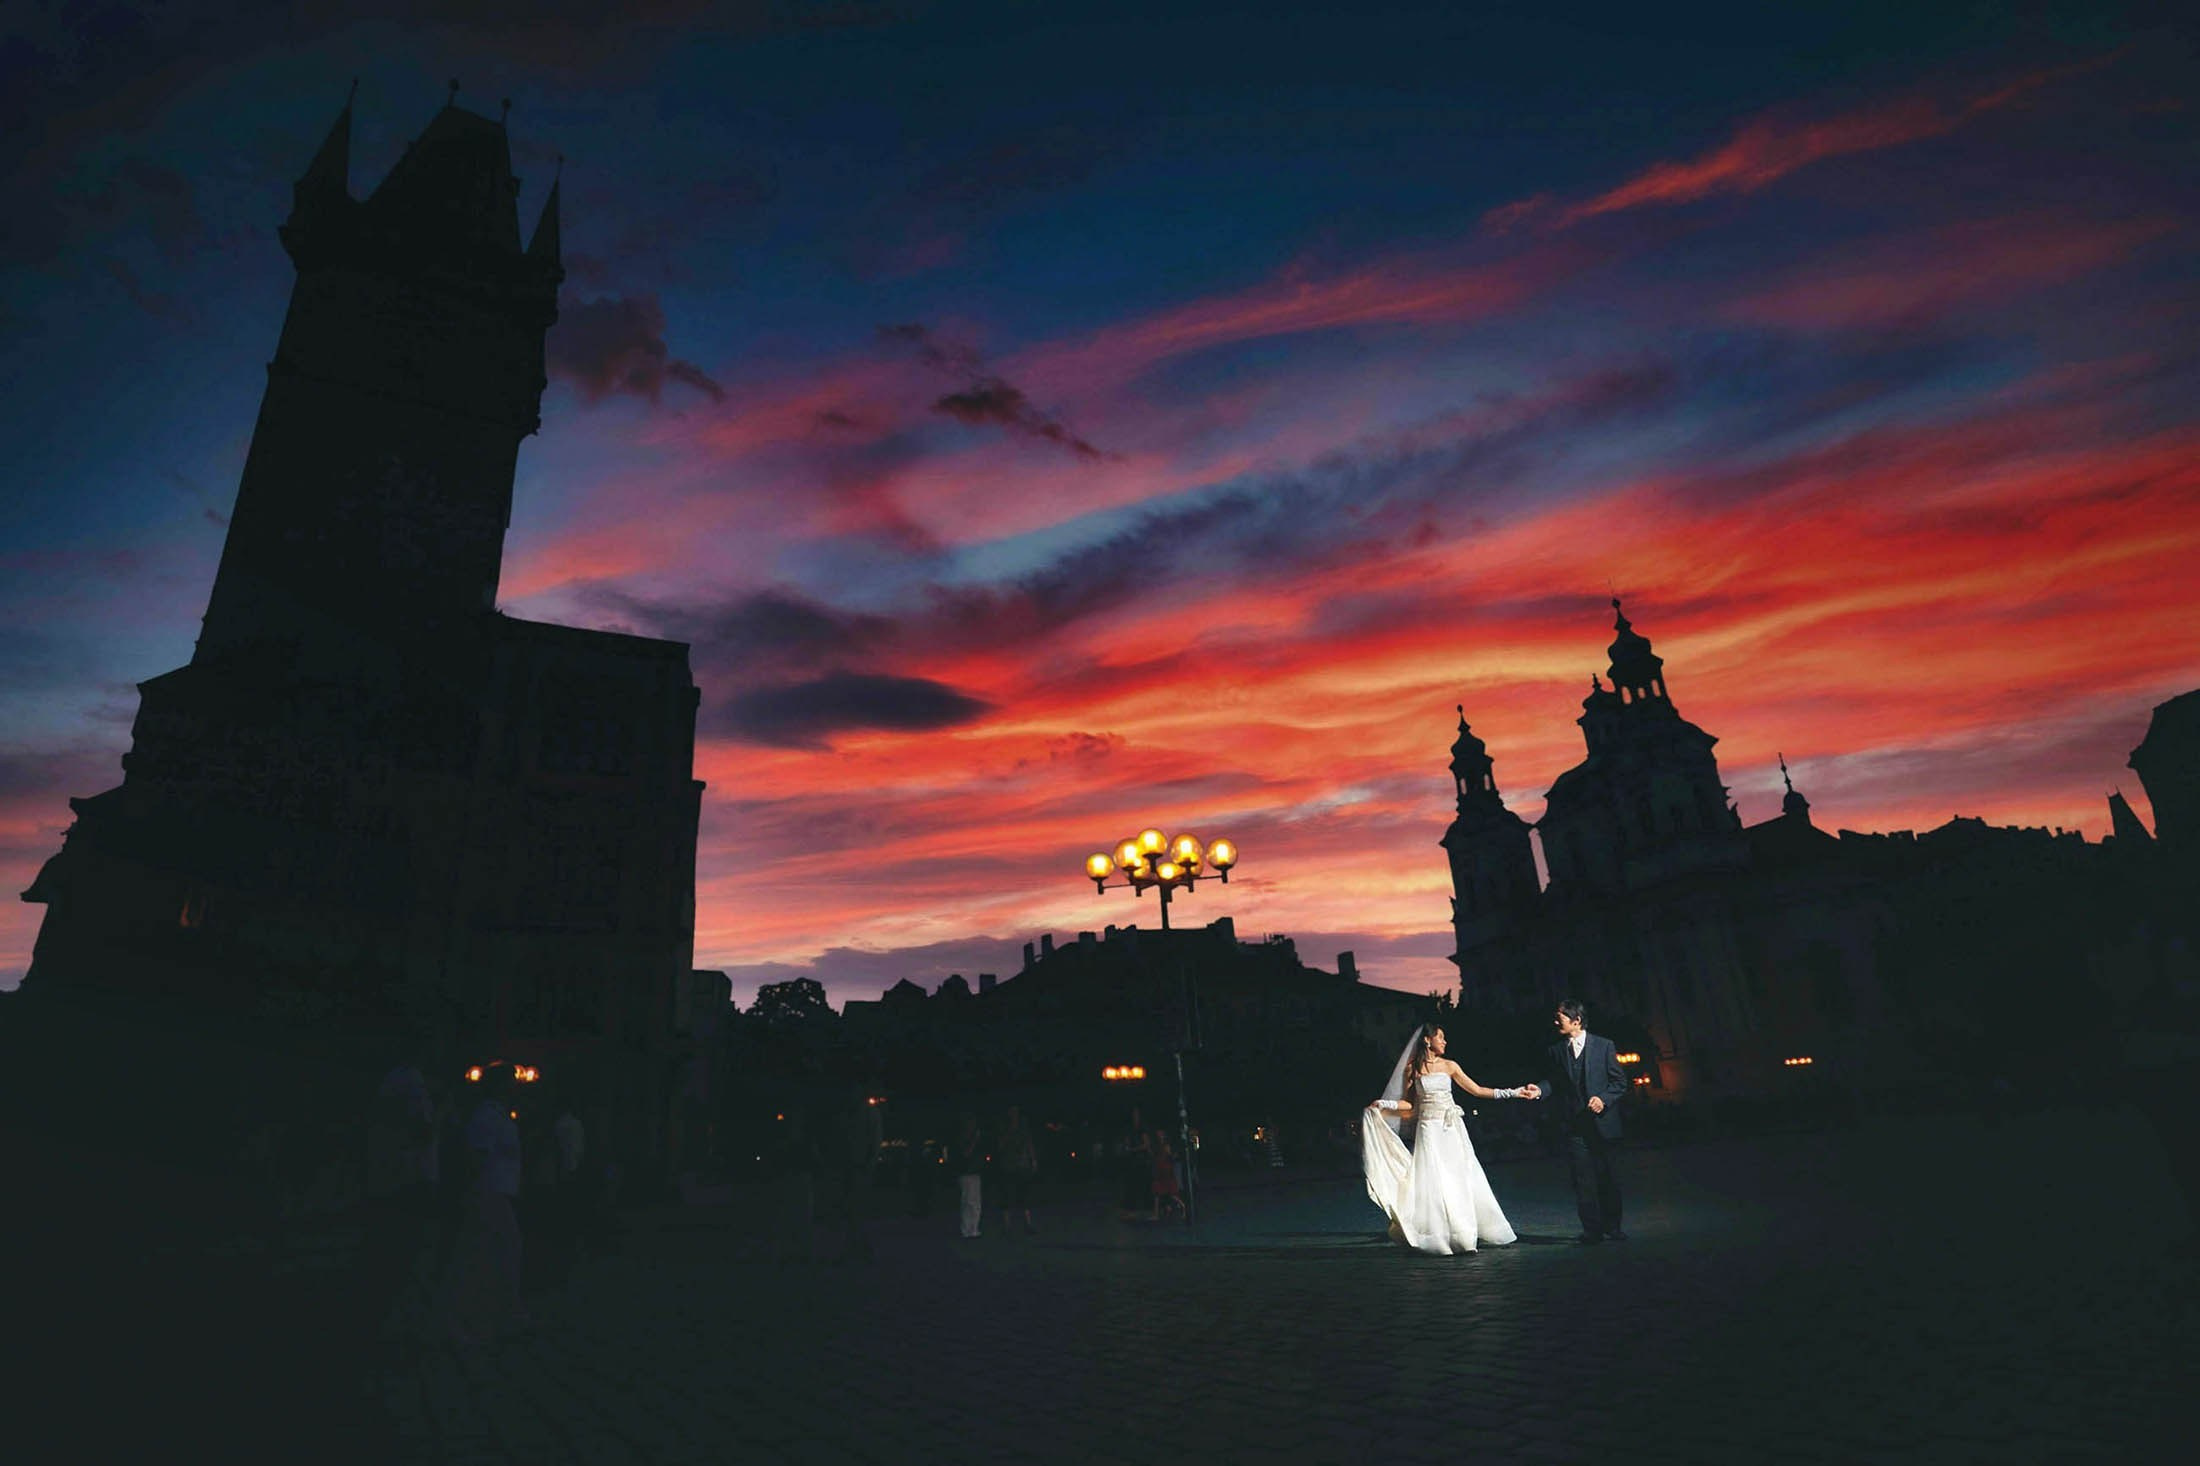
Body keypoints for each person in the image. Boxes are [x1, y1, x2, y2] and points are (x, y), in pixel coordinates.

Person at [1361, 1024, 1532, 1254]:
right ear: (1427, 1040)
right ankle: (1440, 1234)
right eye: (1440, 1037)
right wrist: (1385, 1104)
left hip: (1450, 1128)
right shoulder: (1413, 1069)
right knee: (1434, 1179)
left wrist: (1513, 1091)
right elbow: (1410, 1107)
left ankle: (1464, 1232)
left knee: (1459, 1176)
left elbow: (1478, 1090)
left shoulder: (1450, 1066)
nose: (1445, 1041)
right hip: (1428, 1129)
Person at [1529, 999, 1628, 1244]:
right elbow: (1553, 1082)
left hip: (1604, 1124)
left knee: (1609, 1178)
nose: (1555, 1022)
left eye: (1559, 1018)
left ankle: (1613, 1227)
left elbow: (1619, 1083)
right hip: (1575, 1126)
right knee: (1582, 1180)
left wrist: (1603, 1099)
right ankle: (1592, 1230)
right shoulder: (1555, 1051)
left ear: (1576, 1020)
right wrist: (1539, 1090)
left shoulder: (1604, 1046)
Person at [994, 1104, 1039, 1236]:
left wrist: (1033, 1160)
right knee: (1006, 1196)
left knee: (1024, 1195)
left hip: (1021, 1165)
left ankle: (1028, 1224)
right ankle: (1007, 1226)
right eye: (1012, 1112)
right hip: (1007, 1165)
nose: (1014, 1115)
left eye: (1016, 1112)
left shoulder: (1023, 1127)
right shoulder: (1003, 1127)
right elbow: (1000, 1145)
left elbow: (1029, 1143)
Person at [951, 1113, 985, 1239]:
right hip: (967, 1173)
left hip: (974, 1172)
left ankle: (973, 1228)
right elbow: (966, 1153)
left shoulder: (970, 1138)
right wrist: (975, 1140)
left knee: (974, 1203)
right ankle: (968, 1229)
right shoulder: (964, 1138)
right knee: (968, 1202)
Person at [1150, 1129, 1184, 1221]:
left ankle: (1183, 1207)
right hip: (1160, 1171)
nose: (1159, 1135)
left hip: (1166, 1171)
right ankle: (1157, 1214)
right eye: (1158, 1134)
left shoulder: (1166, 1145)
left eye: (1161, 1134)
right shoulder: (1157, 1146)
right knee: (1157, 1193)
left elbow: (1170, 1157)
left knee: (1170, 1193)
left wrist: (1173, 1157)